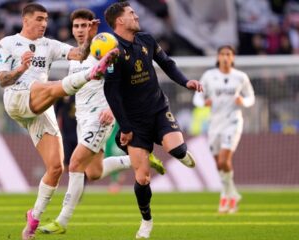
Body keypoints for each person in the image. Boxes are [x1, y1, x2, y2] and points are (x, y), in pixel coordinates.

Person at [0, 3, 119, 240]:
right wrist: (21, 68)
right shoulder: (8, 43)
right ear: (26, 20)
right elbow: (2, 80)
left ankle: (33, 219)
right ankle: (89, 75)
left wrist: (90, 36)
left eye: (46, 19)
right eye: (39, 19)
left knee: (56, 167)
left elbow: (80, 54)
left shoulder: (49, 45)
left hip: (41, 106)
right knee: (53, 88)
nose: (44, 23)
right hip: (17, 97)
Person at [37, 9, 166, 235]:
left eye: (85, 26)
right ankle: (140, 158)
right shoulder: (76, 55)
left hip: (100, 117)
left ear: (93, 27)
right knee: (94, 172)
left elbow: (122, 84)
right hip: (82, 118)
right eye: (76, 26)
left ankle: (62, 220)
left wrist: (112, 110)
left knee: (75, 164)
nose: (80, 30)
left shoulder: (105, 50)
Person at [102, 2, 203, 239]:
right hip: (135, 122)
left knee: (177, 149)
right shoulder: (113, 53)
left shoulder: (147, 40)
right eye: (131, 14)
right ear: (119, 21)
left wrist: (186, 82)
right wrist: (125, 127)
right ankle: (146, 221)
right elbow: (112, 94)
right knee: (143, 177)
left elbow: (167, 63)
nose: (136, 15)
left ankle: (181, 153)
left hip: (158, 109)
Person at [193, 45, 255, 214]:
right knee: (219, 165)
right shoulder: (209, 76)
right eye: (222, 54)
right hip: (214, 123)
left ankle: (225, 195)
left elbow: (251, 96)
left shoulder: (240, 77)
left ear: (233, 58)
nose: (225, 57)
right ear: (218, 57)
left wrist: (244, 101)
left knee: (223, 161)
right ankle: (232, 194)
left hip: (233, 122)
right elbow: (197, 96)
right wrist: (202, 103)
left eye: (228, 54)